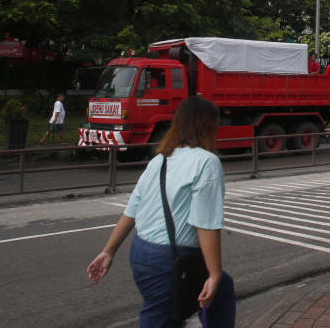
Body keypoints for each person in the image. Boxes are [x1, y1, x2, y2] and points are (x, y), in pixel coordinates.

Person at [86, 97, 236, 327]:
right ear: (209, 126)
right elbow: (205, 223)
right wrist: (214, 273)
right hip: (171, 260)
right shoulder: (207, 162)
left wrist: (109, 252)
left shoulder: (160, 160)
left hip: (141, 253)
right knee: (162, 317)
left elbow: (132, 210)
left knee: (222, 289)